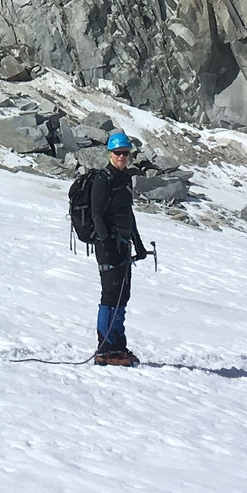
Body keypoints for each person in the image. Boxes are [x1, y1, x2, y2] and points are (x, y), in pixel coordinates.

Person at [87, 131, 149, 365]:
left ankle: (118, 345)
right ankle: (104, 350)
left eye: (125, 153)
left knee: (123, 295)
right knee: (110, 296)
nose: (122, 156)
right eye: (118, 153)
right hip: (108, 246)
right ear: (110, 153)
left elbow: (127, 214)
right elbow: (97, 215)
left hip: (124, 245)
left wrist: (139, 244)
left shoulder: (125, 179)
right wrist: (106, 243)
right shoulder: (103, 179)